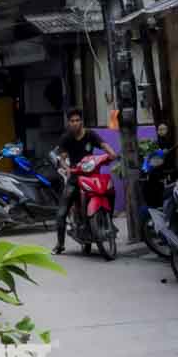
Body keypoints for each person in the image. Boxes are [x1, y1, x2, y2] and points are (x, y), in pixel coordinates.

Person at [52, 107, 118, 255]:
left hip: (92, 175)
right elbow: (62, 159)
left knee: (110, 190)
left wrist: (112, 153)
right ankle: (60, 244)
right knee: (61, 213)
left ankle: (109, 220)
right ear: (69, 123)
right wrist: (67, 168)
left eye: (77, 120)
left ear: (81, 121)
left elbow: (104, 145)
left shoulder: (90, 135)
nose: (75, 123)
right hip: (75, 177)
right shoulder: (66, 138)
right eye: (72, 121)